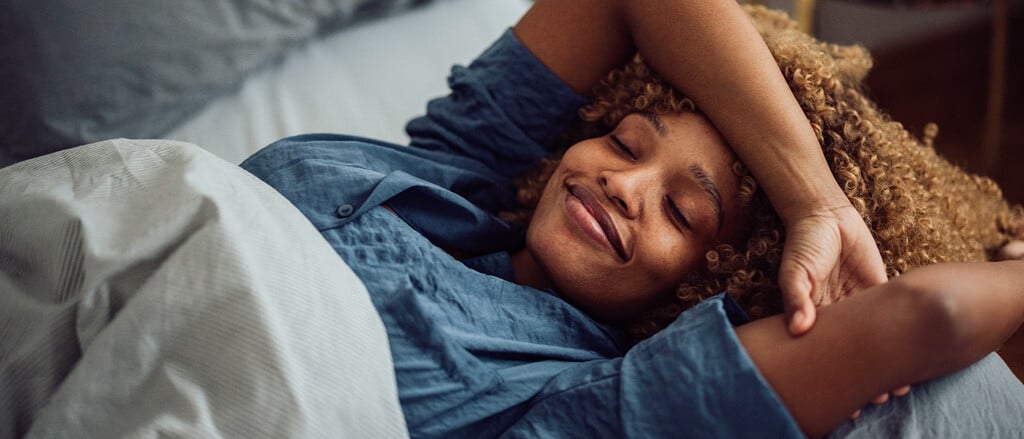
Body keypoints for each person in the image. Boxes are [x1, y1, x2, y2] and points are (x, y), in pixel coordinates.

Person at [239, 1, 1024, 437]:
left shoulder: (570, 398)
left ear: (712, 285)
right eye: (622, 140)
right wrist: (811, 196)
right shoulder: (459, 168)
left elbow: (927, 313)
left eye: (682, 212)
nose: (623, 183)